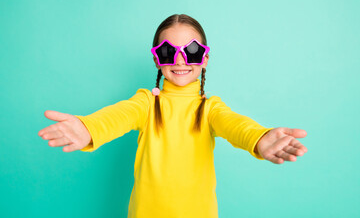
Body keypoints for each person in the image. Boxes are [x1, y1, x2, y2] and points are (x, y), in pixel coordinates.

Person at [38, 14, 308, 218]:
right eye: (168, 51)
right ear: (157, 59)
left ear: (204, 58)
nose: (180, 60)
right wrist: (89, 128)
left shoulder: (210, 108)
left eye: (191, 51)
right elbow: (117, 116)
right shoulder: (146, 103)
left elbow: (236, 125)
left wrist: (260, 138)